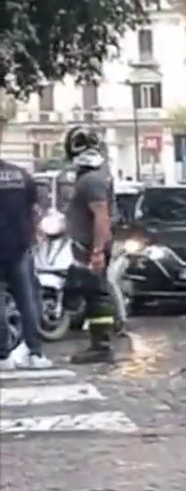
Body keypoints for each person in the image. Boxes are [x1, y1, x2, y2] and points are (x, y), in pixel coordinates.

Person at [61, 128, 117, 365]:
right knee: (88, 292)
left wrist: (97, 251)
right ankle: (97, 341)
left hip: (90, 247)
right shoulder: (93, 178)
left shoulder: (91, 181)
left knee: (97, 295)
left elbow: (101, 216)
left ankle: (101, 345)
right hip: (86, 246)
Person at [0, 154, 54, 370]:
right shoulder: (21, 174)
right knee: (27, 301)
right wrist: (31, 235)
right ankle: (35, 353)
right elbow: (34, 208)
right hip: (20, 247)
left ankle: (3, 355)